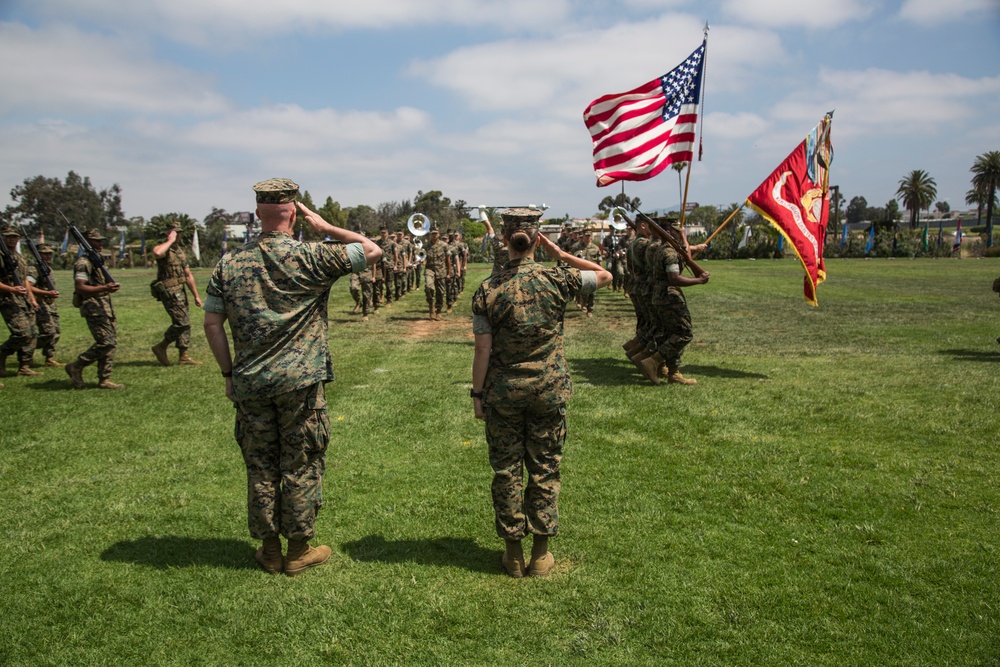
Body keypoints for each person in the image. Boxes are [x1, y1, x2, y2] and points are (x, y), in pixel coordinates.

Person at [202, 178, 381, 577]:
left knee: (261, 465)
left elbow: (212, 325)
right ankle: (298, 549)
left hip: (251, 382)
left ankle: (269, 550)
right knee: (300, 464)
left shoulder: (228, 264)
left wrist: (229, 374)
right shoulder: (313, 256)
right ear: (295, 212)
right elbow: (372, 250)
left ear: (257, 214)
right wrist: (326, 227)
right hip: (299, 384)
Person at [471, 208, 611, 579]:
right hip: (549, 390)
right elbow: (605, 275)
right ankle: (541, 555)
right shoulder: (558, 278)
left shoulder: (488, 288)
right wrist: (562, 255)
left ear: (504, 239)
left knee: (506, 470)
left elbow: (482, 350)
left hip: (503, 393)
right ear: (537, 239)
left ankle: (513, 554)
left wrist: (477, 395)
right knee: (545, 468)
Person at [639, 215, 710, 385]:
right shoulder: (669, 252)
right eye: (677, 232)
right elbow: (674, 278)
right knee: (684, 333)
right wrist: (698, 281)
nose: (679, 234)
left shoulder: (662, 249)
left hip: (659, 295)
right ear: (669, 232)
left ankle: (673, 372)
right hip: (669, 297)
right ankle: (653, 361)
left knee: (670, 333)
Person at [65, 229, 123, 389]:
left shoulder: (98, 261)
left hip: (105, 306)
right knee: (106, 342)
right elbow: (80, 287)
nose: (100, 243)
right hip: (93, 308)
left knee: (111, 344)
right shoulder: (83, 263)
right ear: (87, 242)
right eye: (96, 241)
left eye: (100, 240)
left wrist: (107, 288)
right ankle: (76, 366)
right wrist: (105, 287)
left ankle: (104, 379)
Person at [151, 220, 204, 366]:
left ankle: (184, 356)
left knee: (186, 323)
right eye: (175, 232)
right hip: (169, 291)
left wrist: (196, 296)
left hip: (180, 291)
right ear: (169, 233)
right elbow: (157, 253)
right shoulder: (163, 247)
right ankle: (161, 346)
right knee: (182, 322)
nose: (178, 235)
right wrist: (170, 240)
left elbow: (188, 275)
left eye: (179, 232)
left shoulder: (180, 251)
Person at [0, 225, 42, 378]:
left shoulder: (19, 257)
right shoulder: (1, 255)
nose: (11, 239)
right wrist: (12, 290)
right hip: (7, 299)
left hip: (23, 299)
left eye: (14, 237)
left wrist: (32, 299)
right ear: (3, 238)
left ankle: (24, 365)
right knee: (22, 333)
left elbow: (24, 280)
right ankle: (2, 354)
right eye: (8, 236)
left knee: (32, 333)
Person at [29, 243, 64, 367]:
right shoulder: (34, 269)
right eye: (45, 253)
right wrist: (47, 293)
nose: (49, 256)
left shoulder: (47, 268)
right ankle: (26, 351)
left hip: (50, 304)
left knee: (56, 332)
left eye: (50, 253)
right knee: (48, 332)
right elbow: (29, 287)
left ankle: (49, 358)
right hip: (40, 304)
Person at [423, 226, 451, 320]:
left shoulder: (444, 245)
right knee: (428, 286)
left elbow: (448, 260)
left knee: (440, 292)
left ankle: (438, 311)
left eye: (436, 233)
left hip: (441, 271)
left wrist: (448, 273)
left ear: (438, 234)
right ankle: (431, 306)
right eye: (432, 233)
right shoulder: (426, 246)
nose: (434, 235)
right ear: (430, 235)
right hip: (429, 270)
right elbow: (422, 257)